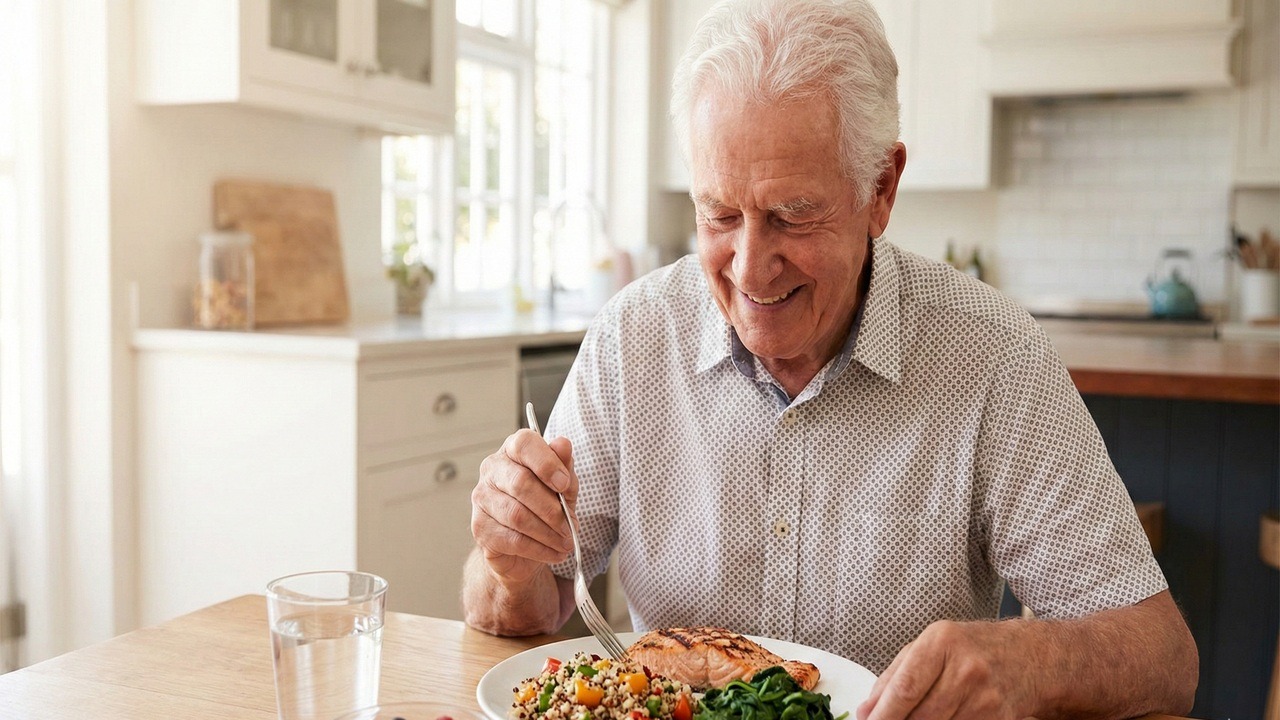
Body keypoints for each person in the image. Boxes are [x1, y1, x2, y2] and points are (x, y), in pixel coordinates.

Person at [462, 0, 1199, 717]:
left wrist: (1023, 661)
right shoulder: (632, 337)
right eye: (720, 214)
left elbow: (1164, 660)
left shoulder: (992, 354)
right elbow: (532, 608)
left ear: (881, 189)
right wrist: (509, 561)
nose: (750, 270)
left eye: (791, 215)